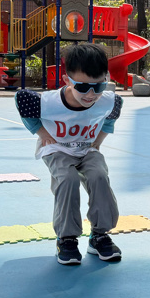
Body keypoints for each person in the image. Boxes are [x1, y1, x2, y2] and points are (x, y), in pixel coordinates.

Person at [15, 43, 122, 265]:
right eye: (82, 87)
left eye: (98, 86)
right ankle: (66, 238)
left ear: (106, 79)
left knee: (99, 176)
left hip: (87, 149)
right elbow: (22, 101)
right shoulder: (49, 102)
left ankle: (99, 235)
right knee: (68, 179)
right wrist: (42, 133)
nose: (91, 94)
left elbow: (111, 118)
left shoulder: (108, 100)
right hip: (58, 148)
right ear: (67, 81)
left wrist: (98, 141)